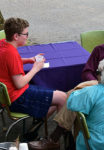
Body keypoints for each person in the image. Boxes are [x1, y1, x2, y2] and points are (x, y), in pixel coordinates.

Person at [28, 19, 104, 149]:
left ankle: (57, 138)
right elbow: (87, 71)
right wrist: (98, 83)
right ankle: (60, 139)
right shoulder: (99, 50)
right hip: (98, 85)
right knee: (80, 97)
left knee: (74, 95)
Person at [0, 17, 67, 148]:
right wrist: (36, 68)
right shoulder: (11, 53)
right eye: (26, 34)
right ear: (16, 36)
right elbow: (19, 83)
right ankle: (54, 141)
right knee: (63, 97)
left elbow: (12, 62)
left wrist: (29, 59)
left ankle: (33, 131)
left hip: (9, 95)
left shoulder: (3, 44)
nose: (27, 36)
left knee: (53, 100)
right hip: (17, 97)